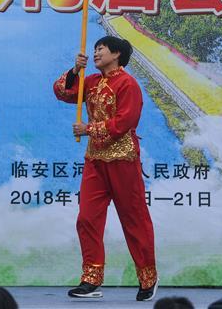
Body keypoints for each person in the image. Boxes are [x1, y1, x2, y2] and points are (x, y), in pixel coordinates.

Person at [53, 36, 157, 301]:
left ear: (117, 54)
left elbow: (124, 122)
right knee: (87, 218)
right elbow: (63, 93)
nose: (96, 53)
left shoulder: (128, 84)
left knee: (133, 219)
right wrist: (75, 70)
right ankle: (91, 278)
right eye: (95, 49)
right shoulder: (91, 82)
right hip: (95, 160)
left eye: (101, 49)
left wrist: (88, 129)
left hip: (123, 159)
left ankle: (147, 277)